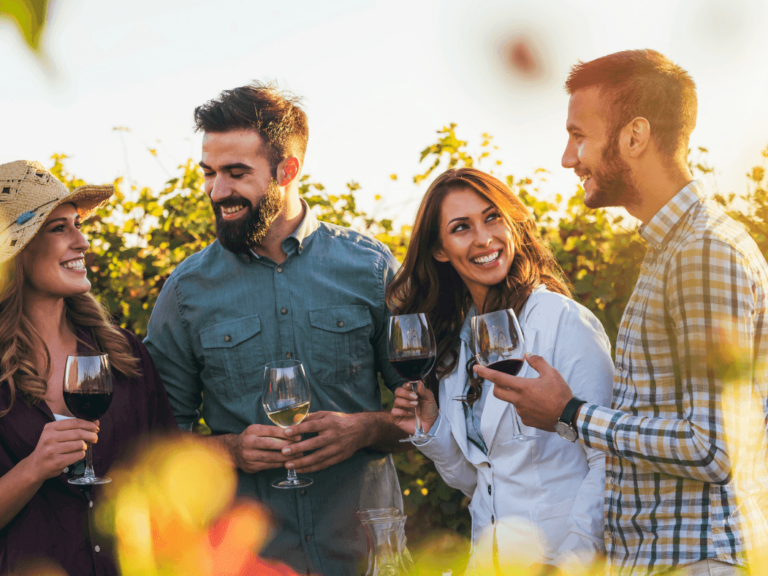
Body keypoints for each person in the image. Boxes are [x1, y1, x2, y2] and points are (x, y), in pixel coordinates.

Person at [477, 49, 768, 575]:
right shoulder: (671, 251)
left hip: (696, 560)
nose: (568, 158)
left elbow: (712, 447)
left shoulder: (702, 252)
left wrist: (570, 414)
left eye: (579, 135)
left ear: (635, 137)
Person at [143, 83, 407, 576]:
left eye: (236, 173)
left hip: (367, 556)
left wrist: (364, 428)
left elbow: (429, 412)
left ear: (288, 170)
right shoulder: (185, 291)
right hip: (251, 562)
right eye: (210, 173)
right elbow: (158, 442)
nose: (218, 191)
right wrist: (232, 451)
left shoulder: (370, 269)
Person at [387, 167, 614, 574]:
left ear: (512, 224)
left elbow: (608, 461)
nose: (483, 238)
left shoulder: (562, 321)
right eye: (461, 227)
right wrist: (432, 426)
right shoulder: (463, 340)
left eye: (492, 217)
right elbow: (480, 482)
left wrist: (572, 562)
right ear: (439, 250)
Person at [0, 160, 177, 575]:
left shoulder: (122, 354)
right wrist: (34, 468)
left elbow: (168, 474)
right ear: (16, 253)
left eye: (78, 224)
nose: (82, 241)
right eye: (59, 228)